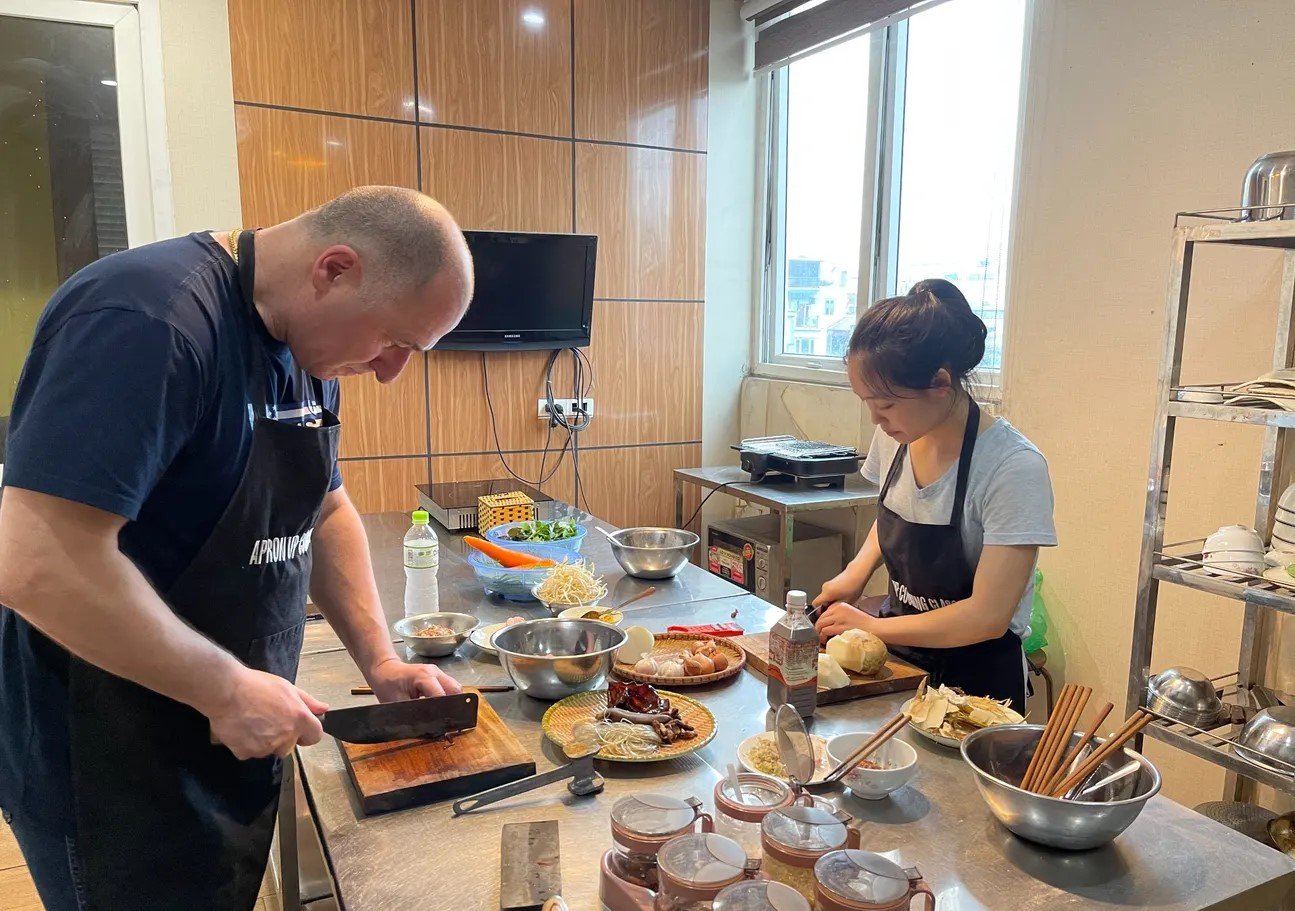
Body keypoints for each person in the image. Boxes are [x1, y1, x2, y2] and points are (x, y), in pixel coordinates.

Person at [0, 186, 474, 911]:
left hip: (223, 736)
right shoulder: (147, 322)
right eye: (395, 342)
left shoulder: (305, 348)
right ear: (333, 269)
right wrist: (221, 687)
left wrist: (379, 659)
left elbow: (322, 506)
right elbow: (34, 558)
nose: (389, 372)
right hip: (108, 757)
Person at [813, 279, 1055, 711]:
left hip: (979, 689)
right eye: (866, 402)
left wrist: (871, 625)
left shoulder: (1012, 467)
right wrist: (855, 572)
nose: (876, 419)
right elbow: (896, 513)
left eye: (885, 404)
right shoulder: (898, 434)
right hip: (901, 663)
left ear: (940, 382)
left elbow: (987, 616)